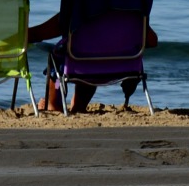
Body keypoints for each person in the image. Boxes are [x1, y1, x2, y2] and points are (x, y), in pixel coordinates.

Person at [27, 10, 158, 113]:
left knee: (59, 60)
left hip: (82, 69)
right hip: (124, 68)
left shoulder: (77, 8)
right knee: (93, 53)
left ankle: (54, 104)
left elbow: (40, 33)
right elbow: (152, 41)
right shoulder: (132, 11)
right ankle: (79, 106)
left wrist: (28, 34)